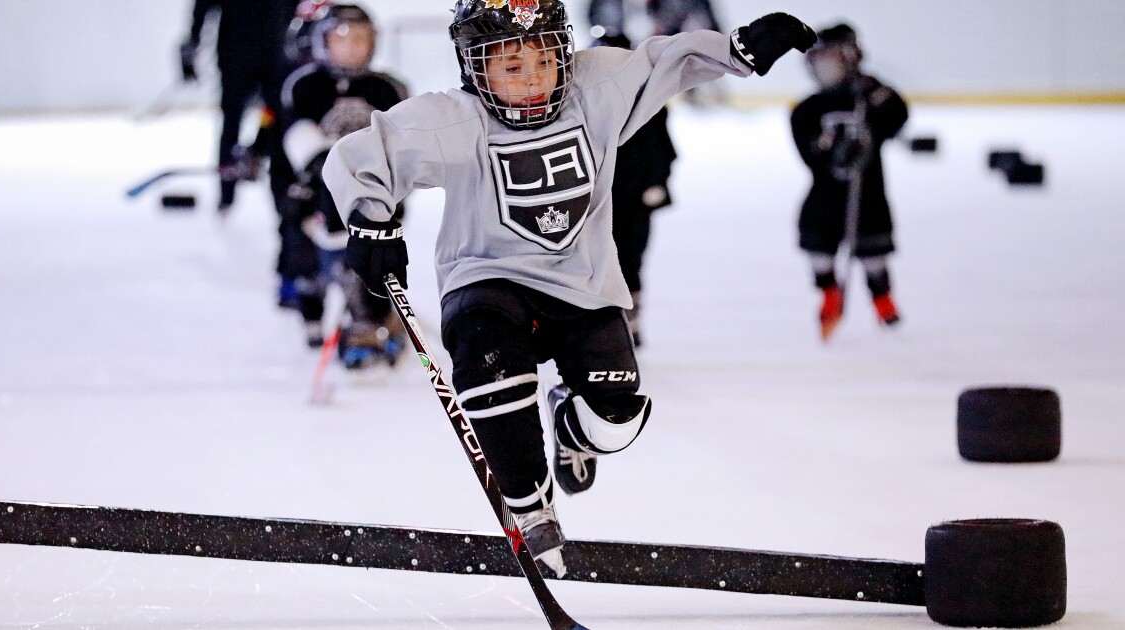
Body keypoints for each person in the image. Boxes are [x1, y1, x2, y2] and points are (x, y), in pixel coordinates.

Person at [323, 0, 814, 575]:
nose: (531, 79)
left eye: (544, 60)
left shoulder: (598, 87)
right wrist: (368, 218)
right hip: (486, 278)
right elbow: (363, 154)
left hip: (583, 287)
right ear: (474, 69)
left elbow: (667, 62)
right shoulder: (454, 119)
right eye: (509, 66)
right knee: (492, 375)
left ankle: (572, 429)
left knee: (617, 423)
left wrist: (734, 51)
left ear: (566, 52)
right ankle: (531, 508)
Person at [280, 4, 410, 361]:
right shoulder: (305, 85)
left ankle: (372, 323)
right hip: (316, 198)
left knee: (371, 265)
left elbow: (405, 146)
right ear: (322, 43)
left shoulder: (389, 89)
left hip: (374, 198)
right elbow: (291, 137)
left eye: (360, 39)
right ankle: (312, 312)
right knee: (307, 259)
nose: (352, 47)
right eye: (342, 39)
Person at [790, 23, 908, 341]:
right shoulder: (808, 109)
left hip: (868, 194)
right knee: (818, 245)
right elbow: (808, 151)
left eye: (827, 58)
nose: (820, 67)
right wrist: (830, 152)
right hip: (825, 197)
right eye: (816, 60)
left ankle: (883, 301)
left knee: (873, 252)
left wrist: (878, 98)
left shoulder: (870, 96)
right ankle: (830, 294)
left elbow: (897, 119)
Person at [594, 33, 678, 347]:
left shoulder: (649, 102)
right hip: (595, 200)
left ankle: (629, 322)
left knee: (629, 259)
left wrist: (658, 182)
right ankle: (598, 323)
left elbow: (664, 150)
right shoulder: (581, 102)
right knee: (593, 261)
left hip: (632, 199)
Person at [181, 0, 300, 213]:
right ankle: (227, 195)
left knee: (274, 122)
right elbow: (203, 7)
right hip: (236, 56)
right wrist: (192, 43)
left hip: (272, 55)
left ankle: (262, 161)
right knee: (232, 124)